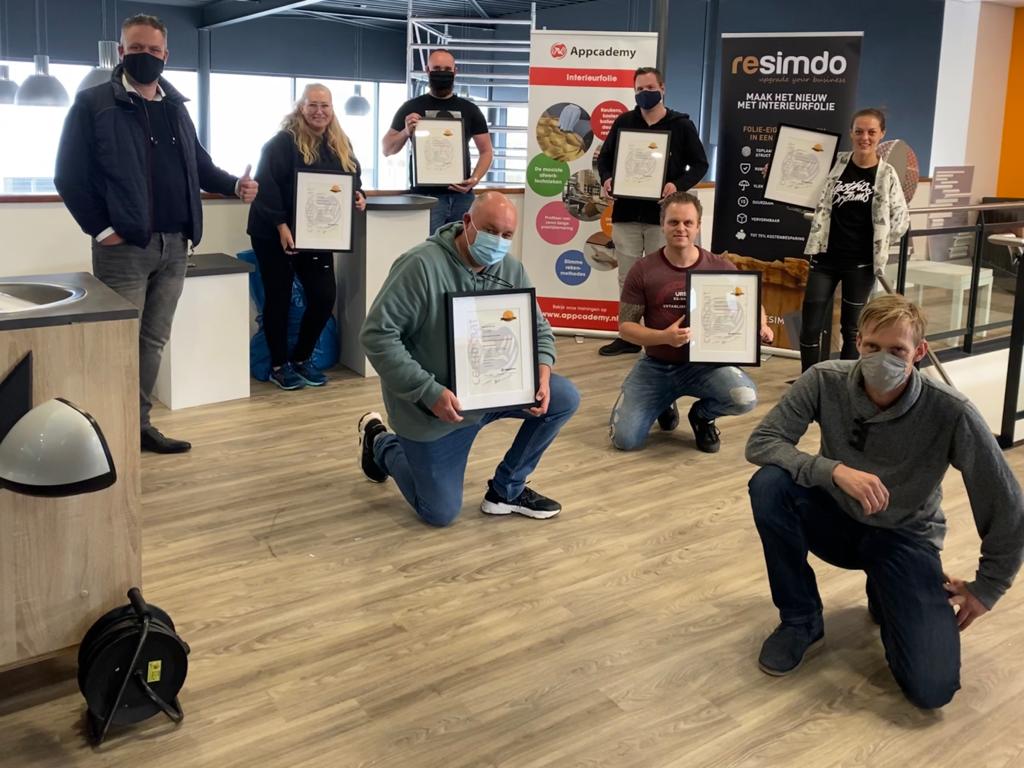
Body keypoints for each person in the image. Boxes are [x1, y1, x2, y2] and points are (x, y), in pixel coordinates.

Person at [746, 293, 1024, 709]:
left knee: (932, 689)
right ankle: (800, 619)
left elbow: (1007, 503)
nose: (882, 360)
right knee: (770, 485)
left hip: (904, 536)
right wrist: (832, 470)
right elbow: (763, 442)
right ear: (858, 342)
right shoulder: (824, 379)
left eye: (897, 350)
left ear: (919, 352)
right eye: (873, 346)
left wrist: (989, 586)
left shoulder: (951, 411)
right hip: (836, 518)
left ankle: (887, 587)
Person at [55, 13, 257, 454]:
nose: (144, 56)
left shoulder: (175, 108)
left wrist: (234, 186)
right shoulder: (93, 104)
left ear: (166, 54)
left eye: (153, 50)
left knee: (151, 342)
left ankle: (137, 426)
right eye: (136, 49)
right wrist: (102, 230)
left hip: (176, 245)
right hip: (125, 248)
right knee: (117, 343)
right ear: (121, 51)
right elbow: (69, 176)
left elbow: (199, 165)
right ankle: (106, 430)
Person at [358, 192, 579, 527]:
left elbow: (539, 329)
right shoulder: (420, 266)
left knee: (563, 398)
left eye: (507, 235)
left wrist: (542, 371)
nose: (498, 241)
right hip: (436, 408)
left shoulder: (512, 270)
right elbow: (377, 336)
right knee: (439, 513)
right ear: (466, 222)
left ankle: (507, 490)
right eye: (490, 230)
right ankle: (381, 442)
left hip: (495, 391)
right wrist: (428, 391)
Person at [608, 192, 773, 454]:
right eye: (673, 222)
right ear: (662, 225)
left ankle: (702, 416)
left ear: (698, 226)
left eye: (688, 223)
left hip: (705, 367)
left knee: (745, 398)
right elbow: (626, 328)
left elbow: (752, 303)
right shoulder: (643, 269)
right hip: (657, 365)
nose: (681, 229)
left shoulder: (720, 267)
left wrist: (761, 325)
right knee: (624, 440)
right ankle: (663, 401)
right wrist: (665, 337)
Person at [247, 83, 367, 391]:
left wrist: (358, 195)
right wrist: (281, 226)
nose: (318, 111)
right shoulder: (281, 143)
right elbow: (266, 186)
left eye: (324, 105)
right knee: (279, 298)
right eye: (312, 105)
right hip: (273, 232)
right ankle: (278, 366)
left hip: (316, 234)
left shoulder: (340, 143)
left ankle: (301, 358)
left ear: (332, 109)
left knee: (324, 296)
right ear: (301, 107)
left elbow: (352, 178)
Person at [596, 66, 709, 358]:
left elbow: (700, 164)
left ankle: (668, 336)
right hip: (627, 213)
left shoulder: (681, 125)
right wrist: (607, 179)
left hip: (664, 218)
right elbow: (605, 159)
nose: (644, 94)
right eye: (639, 89)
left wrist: (677, 185)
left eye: (650, 88)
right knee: (628, 278)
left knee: (667, 278)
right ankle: (630, 336)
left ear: (662, 88)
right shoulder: (624, 122)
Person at [799, 108, 910, 372]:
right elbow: (802, 179)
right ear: (851, 133)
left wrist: (879, 243)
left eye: (871, 132)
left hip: (860, 266)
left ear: (882, 134)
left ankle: (844, 383)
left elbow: (901, 221)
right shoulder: (835, 164)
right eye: (859, 131)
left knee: (851, 330)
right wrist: (778, 178)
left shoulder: (886, 175)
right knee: (810, 326)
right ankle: (809, 381)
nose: (865, 137)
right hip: (825, 259)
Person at [382, 49, 493, 233]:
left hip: (462, 197)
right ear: (427, 70)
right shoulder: (411, 107)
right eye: (437, 68)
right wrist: (405, 132)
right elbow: (387, 149)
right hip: (425, 197)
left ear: (455, 71)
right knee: (428, 247)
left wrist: (475, 179)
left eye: (447, 69)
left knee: (463, 246)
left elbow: (486, 151)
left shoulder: (470, 109)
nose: (442, 73)